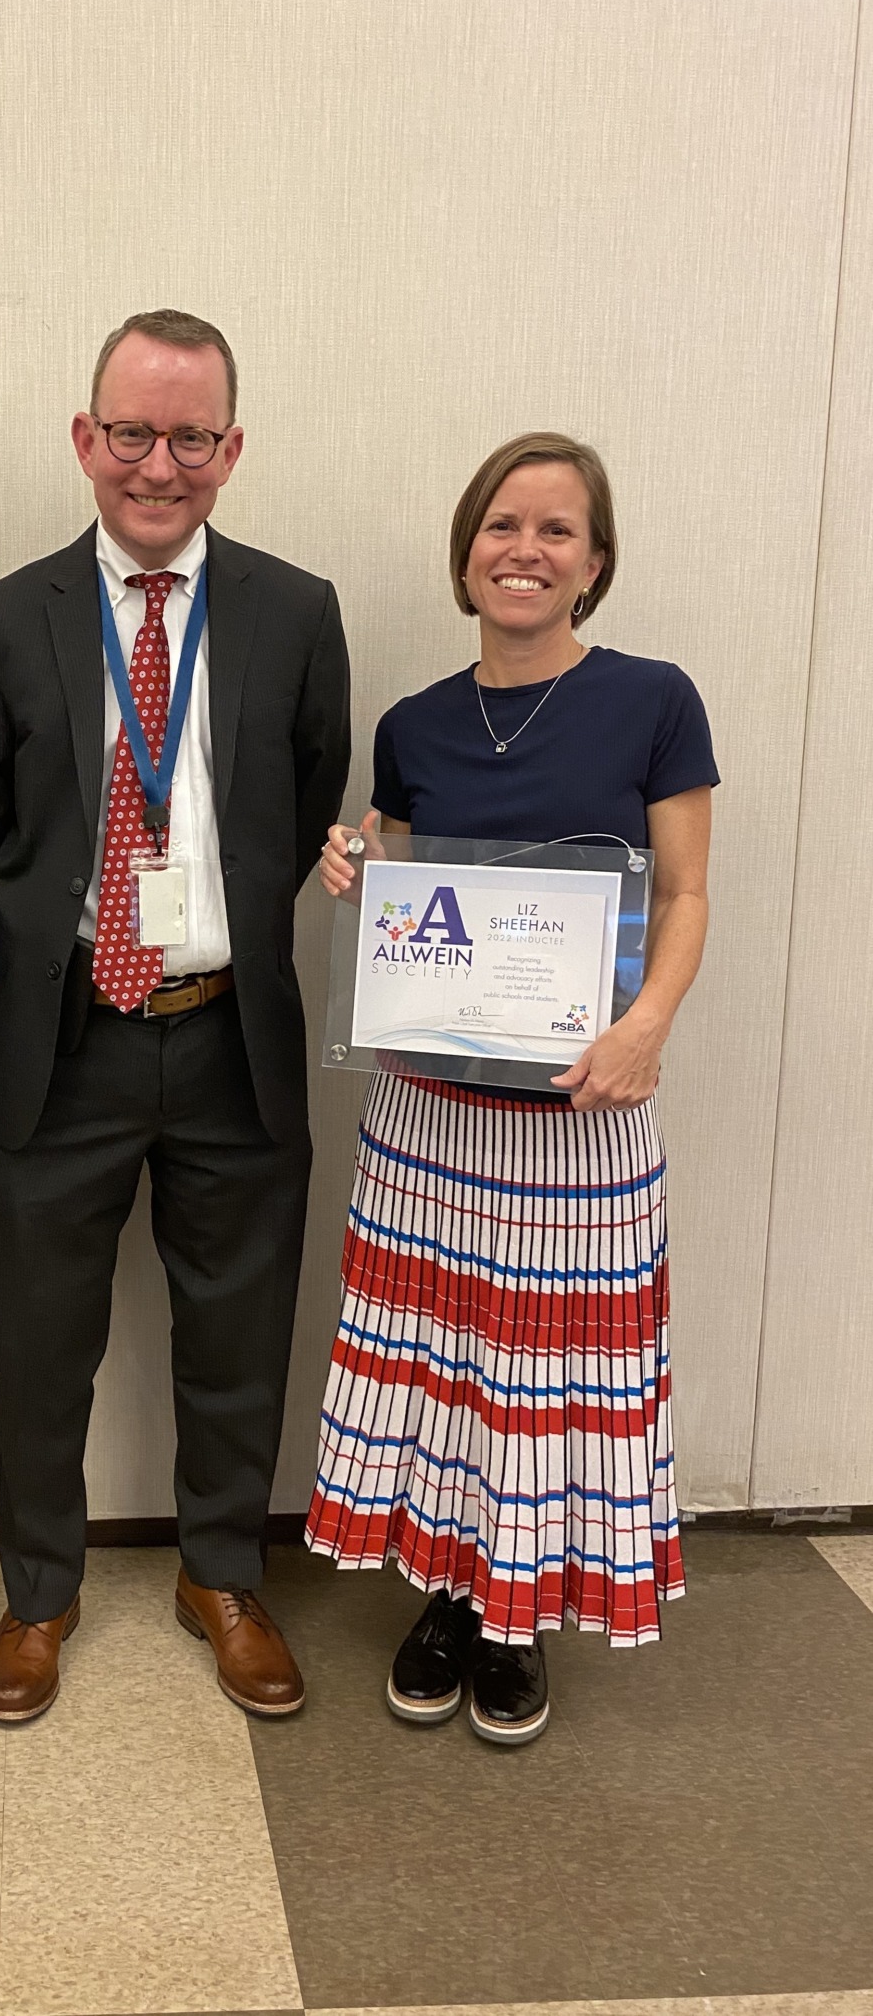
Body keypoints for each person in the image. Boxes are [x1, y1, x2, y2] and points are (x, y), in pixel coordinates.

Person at [0, 309, 352, 1724]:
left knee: (236, 1327)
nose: (158, 464)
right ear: (85, 439)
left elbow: (299, 810)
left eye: (190, 436)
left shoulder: (299, 614)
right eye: (132, 431)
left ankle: (221, 1573)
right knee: (41, 1331)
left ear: (230, 450)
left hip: (234, 1033)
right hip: (66, 1039)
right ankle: (39, 1590)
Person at [309, 432, 716, 1746]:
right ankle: (442, 1589)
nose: (525, 550)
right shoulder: (413, 721)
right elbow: (413, 891)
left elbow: (691, 891)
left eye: (556, 530)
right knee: (444, 1364)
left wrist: (647, 1024)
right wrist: (356, 870)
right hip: (432, 1114)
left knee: (545, 1373)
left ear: (595, 561)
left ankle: (514, 1616)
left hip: (582, 1116)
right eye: (502, 525)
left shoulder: (655, 701)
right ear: (465, 550)